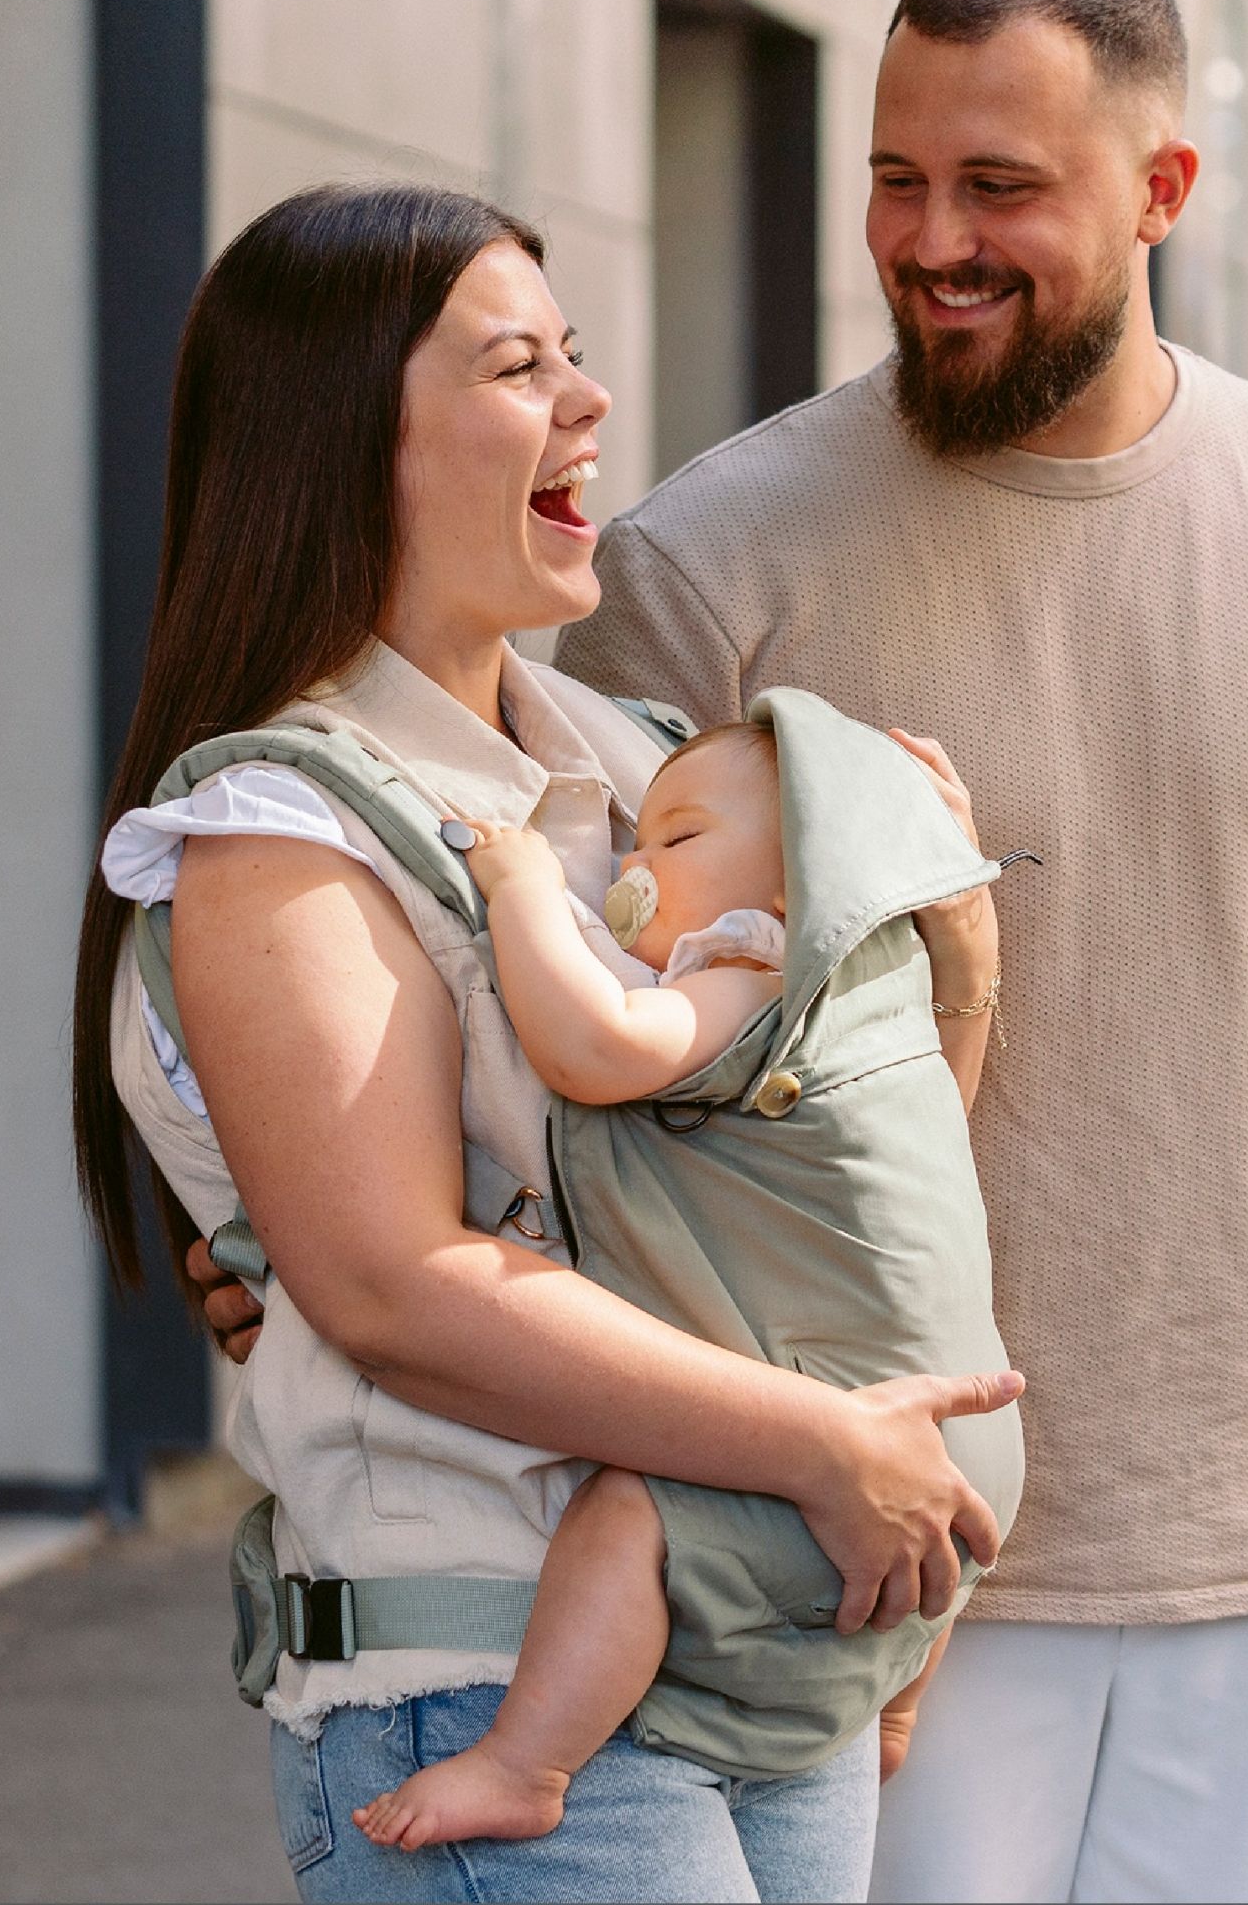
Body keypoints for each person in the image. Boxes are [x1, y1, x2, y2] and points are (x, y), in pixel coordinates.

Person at [558, 0, 1248, 1903]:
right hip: (861, 1549)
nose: (929, 238)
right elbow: (574, 1046)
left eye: (999, 188)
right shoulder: (710, 564)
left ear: (1160, 194)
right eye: (897, 177)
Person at [76, 181, 1022, 1905]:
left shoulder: (656, 760)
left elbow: (831, 1164)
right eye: (520, 368)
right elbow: (393, 1291)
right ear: (344, 443)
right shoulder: (281, 830)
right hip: (487, 1689)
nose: (590, 401)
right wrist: (820, 1446)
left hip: (752, 1654)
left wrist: (955, 971)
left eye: (574, 355)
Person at [352, 707, 1023, 1853]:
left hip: (868, 1436)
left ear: (804, 879)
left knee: (628, 1512)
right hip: (974, 1452)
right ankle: (888, 1700)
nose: (631, 864)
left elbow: (596, 1045)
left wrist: (518, 885)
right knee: (927, 1575)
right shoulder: (884, 1003)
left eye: (676, 837)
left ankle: (526, 1759)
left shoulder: (753, 968)